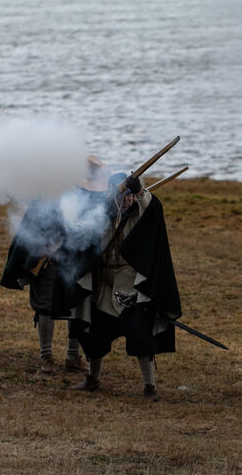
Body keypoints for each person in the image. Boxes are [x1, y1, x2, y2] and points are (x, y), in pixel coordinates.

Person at [70, 170, 182, 400]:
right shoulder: (103, 214)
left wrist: (138, 189)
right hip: (104, 288)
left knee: (141, 338)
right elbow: (81, 229)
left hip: (132, 290)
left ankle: (149, 386)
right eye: (124, 195)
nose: (128, 199)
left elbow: (151, 207)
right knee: (95, 337)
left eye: (130, 195)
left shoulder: (140, 214)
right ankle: (93, 378)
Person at [0, 156, 106, 375]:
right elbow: (35, 225)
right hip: (47, 258)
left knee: (75, 304)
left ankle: (72, 356)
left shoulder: (91, 195)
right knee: (45, 307)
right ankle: (46, 357)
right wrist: (49, 247)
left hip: (75, 259)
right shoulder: (50, 194)